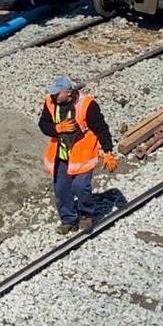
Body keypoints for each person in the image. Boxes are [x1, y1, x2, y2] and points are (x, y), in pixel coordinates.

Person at [38, 76, 118, 234]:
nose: (53, 96)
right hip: (61, 153)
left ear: (68, 93)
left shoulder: (87, 105)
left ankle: (86, 215)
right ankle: (68, 220)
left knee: (80, 187)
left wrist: (108, 151)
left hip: (83, 153)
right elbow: (43, 124)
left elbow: (101, 128)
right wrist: (57, 129)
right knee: (61, 189)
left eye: (57, 93)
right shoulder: (50, 102)